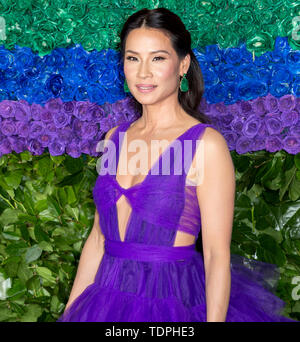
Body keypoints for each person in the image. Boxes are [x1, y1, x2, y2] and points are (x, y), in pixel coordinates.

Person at [57, 8, 297, 322]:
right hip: (104, 302)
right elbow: (99, 239)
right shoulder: (114, 138)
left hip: (174, 305)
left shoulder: (206, 145)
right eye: (133, 58)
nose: (143, 73)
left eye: (157, 58)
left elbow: (215, 255)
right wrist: (70, 314)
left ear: (182, 64)